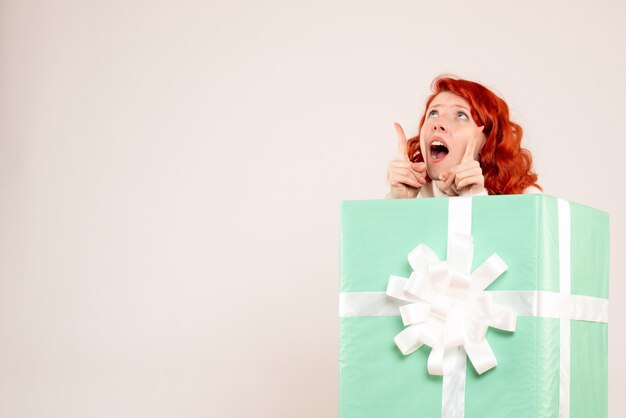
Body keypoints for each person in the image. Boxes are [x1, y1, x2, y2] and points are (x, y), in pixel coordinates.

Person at [387, 76, 541, 198]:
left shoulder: (526, 197)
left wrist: (473, 198)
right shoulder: (416, 194)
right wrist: (399, 203)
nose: (438, 123)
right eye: (433, 113)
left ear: (488, 140)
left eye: (461, 115)